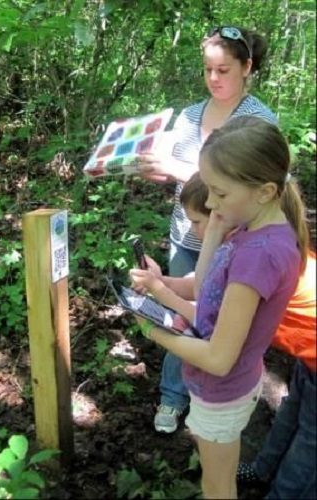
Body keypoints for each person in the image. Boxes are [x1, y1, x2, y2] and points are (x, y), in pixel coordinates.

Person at [130, 116, 309, 499]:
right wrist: (212, 230)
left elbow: (218, 357)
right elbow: (211, 288)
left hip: (221, 389)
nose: (210, 203)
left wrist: (153, 330)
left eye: (220, 194)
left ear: (264, 191)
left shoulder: (259, 256)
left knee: (217, 486)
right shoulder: (251, 229)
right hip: (223, 387)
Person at [137, 26, 278, 433]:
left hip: (236, 238)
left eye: (224, 70)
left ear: (247, 67)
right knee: (175, 309)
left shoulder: (258, 120)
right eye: (208, 70)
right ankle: (172, 396)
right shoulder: (191, 115)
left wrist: (177, 170)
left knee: (219, 318)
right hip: (188, 231)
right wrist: (155, 169)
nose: (215, 79)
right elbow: (181, 174)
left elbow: (251, 185)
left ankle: (219, 396)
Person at [236, 252, 316, 499]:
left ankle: (281, 494)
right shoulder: (274, 252)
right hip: (310, 360)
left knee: (309, 442)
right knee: (290, 414)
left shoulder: (264, 268)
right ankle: (262, 470)